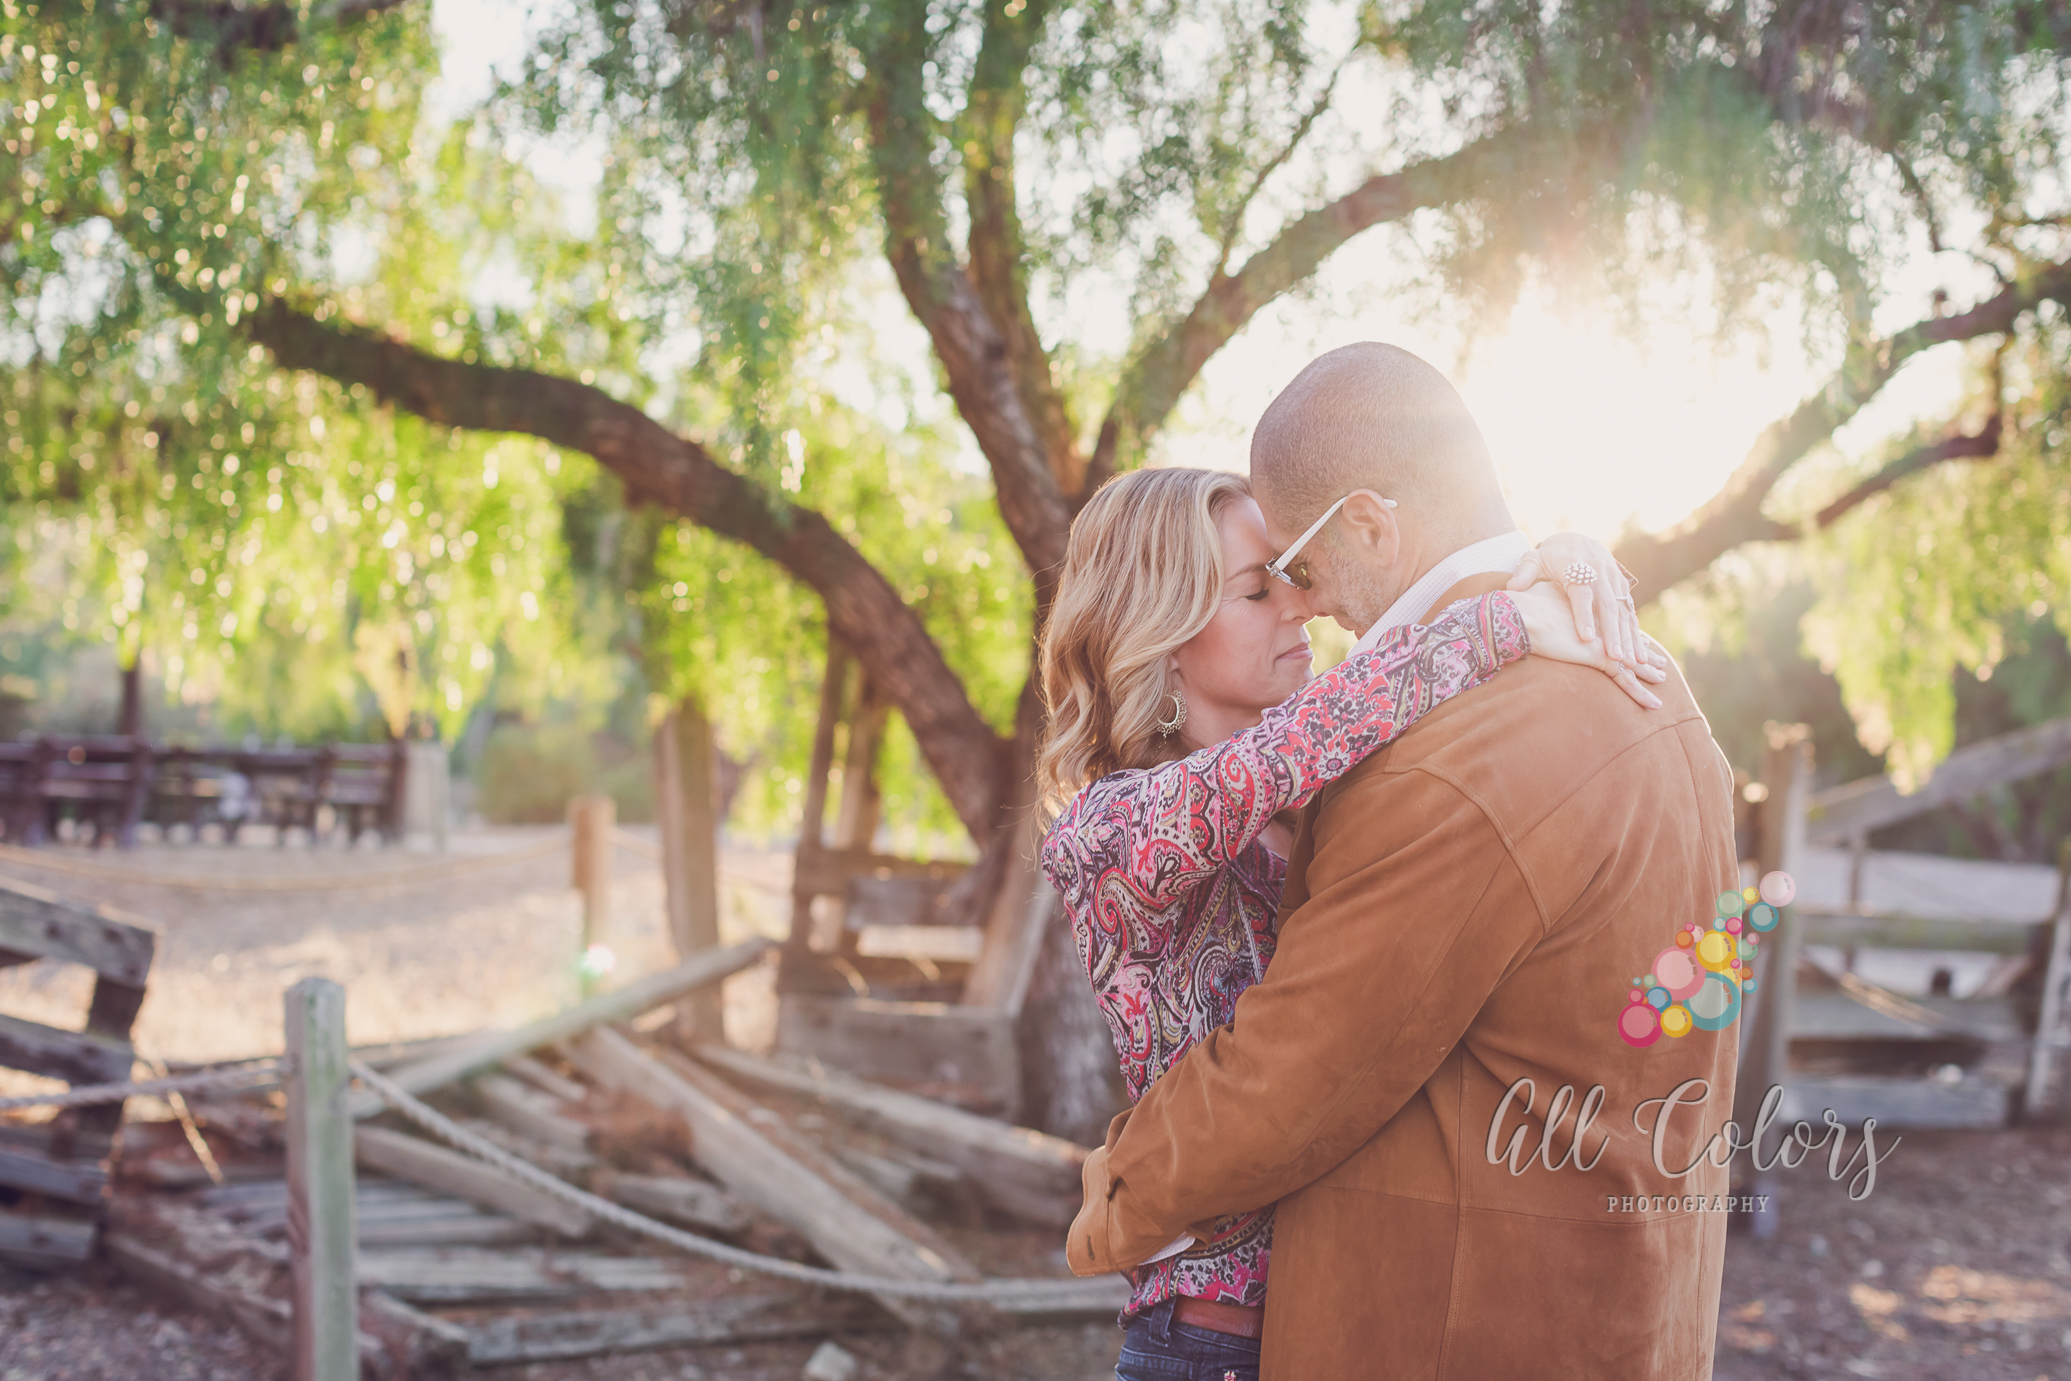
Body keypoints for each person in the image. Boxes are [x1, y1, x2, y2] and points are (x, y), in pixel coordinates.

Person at [1064, 343, 1742, 1380]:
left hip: (1463, 1327)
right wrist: (1523, 589)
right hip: (1615, 1313)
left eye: (1295, 568)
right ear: (1163, 633)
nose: (1302, 604)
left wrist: (1116, 1193)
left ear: (1374, 523)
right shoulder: (1660, 694)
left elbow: (1294, 1075)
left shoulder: (1456, 752)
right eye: (1265, 586)